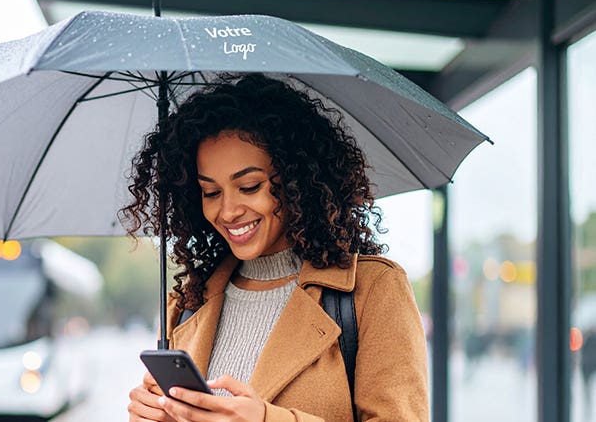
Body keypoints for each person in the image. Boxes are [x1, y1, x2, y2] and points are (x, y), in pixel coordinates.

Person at [121, 73, 429, 422]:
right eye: (211, 192)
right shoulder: (188, 303)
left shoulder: (372, 290)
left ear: (296, 180)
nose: (228, 211)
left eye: (249, 186)